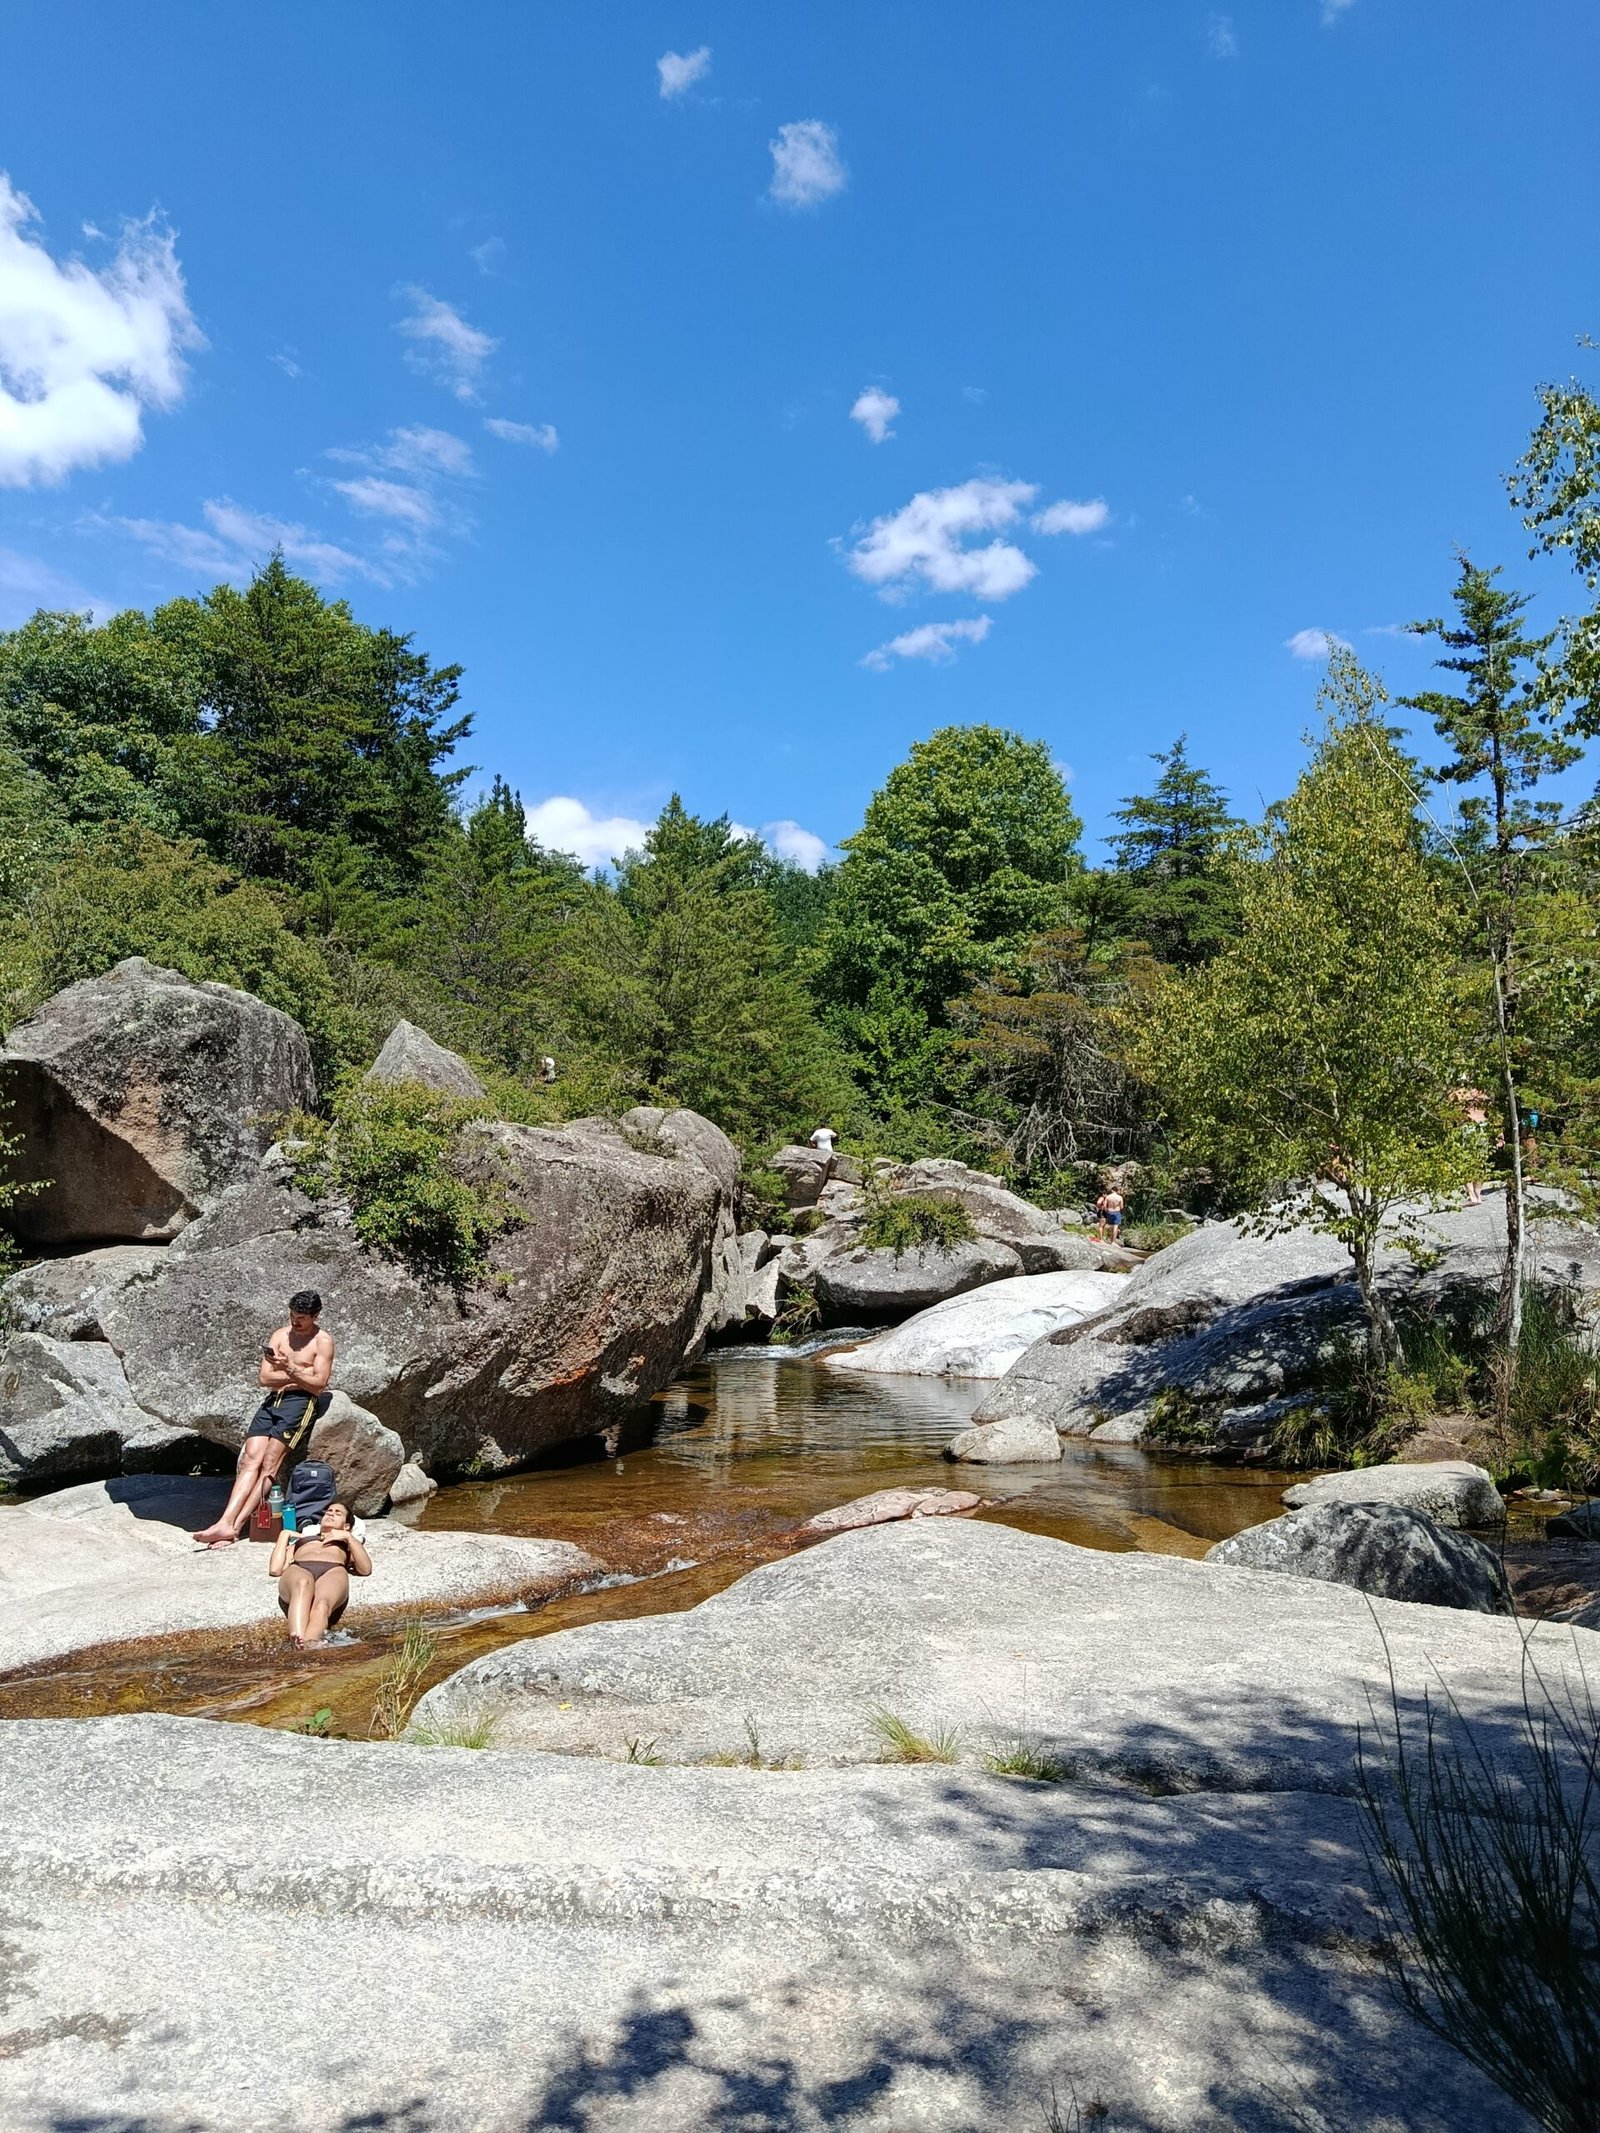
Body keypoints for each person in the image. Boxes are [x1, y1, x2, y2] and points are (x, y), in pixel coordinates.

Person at [192, 1291, 335, 1548]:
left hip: (300, 1404)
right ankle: (224, 1522)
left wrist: (289, 1369)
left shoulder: (322, 1341)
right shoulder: (280, 1336)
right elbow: (265, 1379)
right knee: (250, 1459)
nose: (295, 1322)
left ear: (315, 1316)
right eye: (292, 1316)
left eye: (301, 1318)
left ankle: (235, 1528)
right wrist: (301, 1374)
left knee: (270, 1464)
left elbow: (319, 1385)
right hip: (273, 1403)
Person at [268, 1500, 371, 1647]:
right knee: (302, 1584)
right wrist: (283, 1535)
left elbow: (365, 1569)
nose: (331, 1513)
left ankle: (309, 1646)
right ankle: (297, 1639)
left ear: (346, 1526)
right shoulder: (303, 1540)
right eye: (329, 1511)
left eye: (338, 1513)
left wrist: (348, 1537)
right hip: (300, 1567)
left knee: (322, 1605)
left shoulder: (347, 1544)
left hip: (333, 1570)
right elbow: (275, 1569)